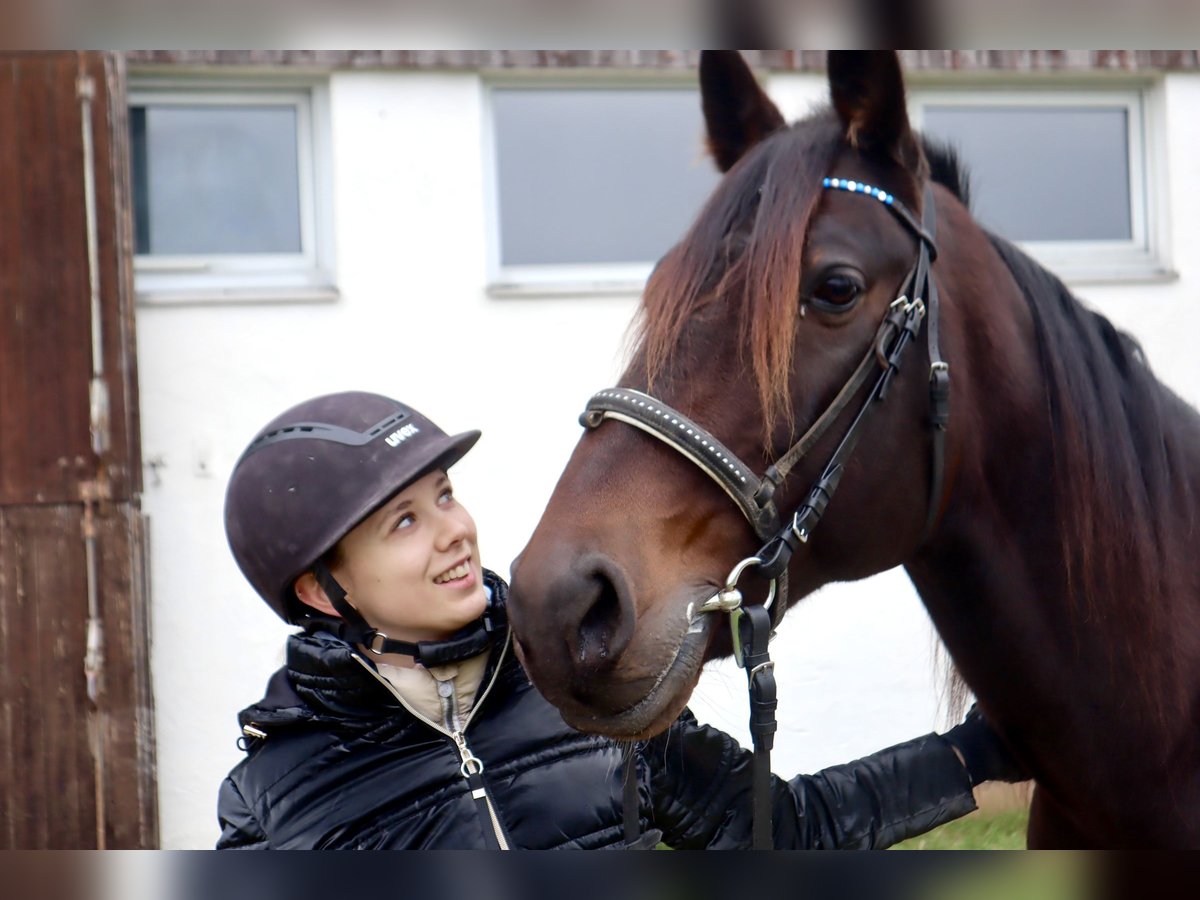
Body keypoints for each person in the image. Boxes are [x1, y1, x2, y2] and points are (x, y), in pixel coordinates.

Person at [217, 390, 1027, 849]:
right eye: (403, 522)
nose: (455, 530)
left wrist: (980, 749)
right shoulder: (269, 799)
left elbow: (786, 827)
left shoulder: (582, 691)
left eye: (445, 496)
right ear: (325, 592)